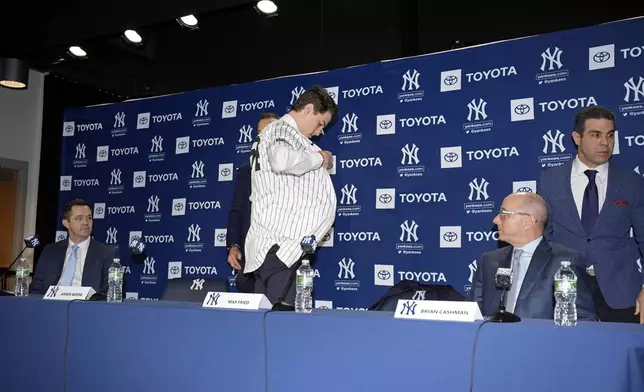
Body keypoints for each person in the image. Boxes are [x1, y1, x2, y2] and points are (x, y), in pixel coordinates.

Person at [538, 106, 644, 323]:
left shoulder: (632, 182)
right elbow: (543, 238)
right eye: (596, 135)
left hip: (622, 293)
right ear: (577, 137)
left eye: (610, 135)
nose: (605, 142)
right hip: (566, 290)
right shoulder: (550, 180)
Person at [244, 85, 338, 305]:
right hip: (279, 245)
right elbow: (281, 160)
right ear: (308, 109)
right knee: (276, 322)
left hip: (276, 245)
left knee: (272, 320)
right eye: (320, 123)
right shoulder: (280, 130)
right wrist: (320, 159)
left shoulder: (282, 133)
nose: (320, 131)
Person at [468, 192, 597, 321]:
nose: (496, 220)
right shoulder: (489, 261)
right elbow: (473, 313)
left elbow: (583, 317)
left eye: (503, 214)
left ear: (528, 222)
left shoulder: (564, 261)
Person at [226, 112, 280, 293]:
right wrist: (234, 246)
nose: (262, 137)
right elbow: (237, 211)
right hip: (251, 254)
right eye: (259, 132)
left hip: (280, 256)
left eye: (267, 131)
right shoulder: (245, 171)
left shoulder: (291, 169)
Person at [30, 199, 118, 295]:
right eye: (79, 218)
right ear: (66, 223)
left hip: (86, 306)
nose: (85, 222)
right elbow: (36, 288)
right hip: (52, 304)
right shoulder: (50, 251)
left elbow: (110, 291)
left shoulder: (106, 253)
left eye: (89, 218)